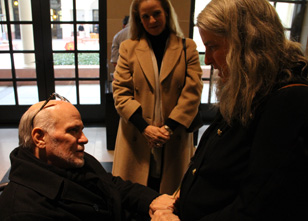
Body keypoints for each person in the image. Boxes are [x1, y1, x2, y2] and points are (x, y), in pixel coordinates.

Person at [150, 0, 308, 220]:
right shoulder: (251, 87)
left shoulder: (290, 99)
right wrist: (178, 197)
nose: (208, 59)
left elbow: (257, 207)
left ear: (247, 43)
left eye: (213, 46)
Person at [0, 93, 174, 221]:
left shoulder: (71, 158)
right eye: (73, 131)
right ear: (40, 138)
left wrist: (152, 199)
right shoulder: (23, 211)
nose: (84, 139)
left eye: (82, 129)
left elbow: (111, 184)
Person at [112, 0, 203, 195]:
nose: (152, 20)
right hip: (137, 134)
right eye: (145, 16)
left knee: (171, 197)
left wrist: (168, 128)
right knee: (135, 198)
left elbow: (193, 91)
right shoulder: (128, 47)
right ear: (139, 19)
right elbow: (120, 91)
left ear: (167, 13)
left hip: (174, 134)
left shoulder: (187, 47)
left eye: (156, 13)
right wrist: (145, 128)